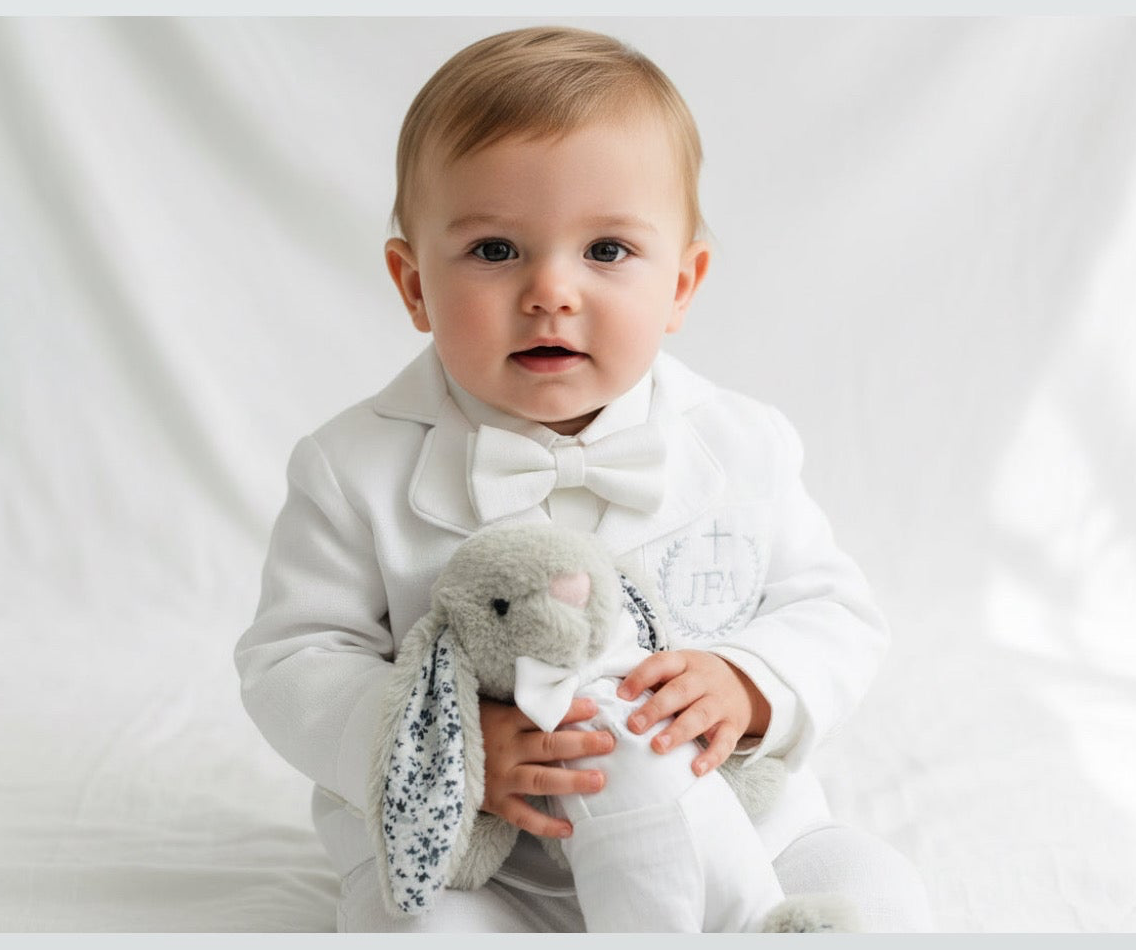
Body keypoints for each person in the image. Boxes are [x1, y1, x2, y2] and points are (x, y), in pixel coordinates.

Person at [235, 25, 934, 933]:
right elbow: (293, 660)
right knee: (414, 929)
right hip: (491, 856)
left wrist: (750, 682)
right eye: (495, 250)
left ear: (681, 284)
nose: (551, 292)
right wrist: (453, 746)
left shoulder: (742, 446)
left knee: (877, 895)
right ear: (413, 285)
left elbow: (833, 610)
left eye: (606, 251)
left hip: (733, 834)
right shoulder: (351, 467)